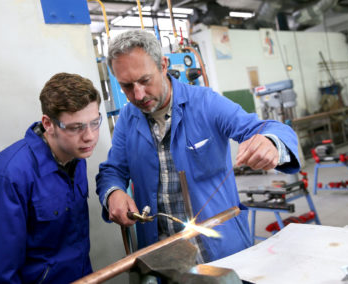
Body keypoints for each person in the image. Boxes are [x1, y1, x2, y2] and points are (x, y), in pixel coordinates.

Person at [96, 30, 300, 263]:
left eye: (144, 80)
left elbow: (268, 128)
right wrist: (113, 192)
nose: (139, 94)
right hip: (161, 256)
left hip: (220, 251)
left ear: (163, 65)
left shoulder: (206, 103)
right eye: (127, 86)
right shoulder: (127, 119)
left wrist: (271, 143)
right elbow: (112, 170)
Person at [0, 73, 102, 283]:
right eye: (76, 127)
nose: (90, 136)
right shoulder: (6, 180)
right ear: (48, 123)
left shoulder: (75, 155)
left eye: (95, 122)